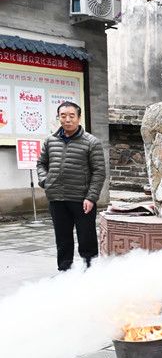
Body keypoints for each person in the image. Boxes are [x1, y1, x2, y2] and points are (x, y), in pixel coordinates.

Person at [36, 101, 106, 271]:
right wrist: (45, 181)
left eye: (71, 116)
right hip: (57, 198)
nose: (67, 119)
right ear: (58, 118)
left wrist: (91, 197)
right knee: (62, 239)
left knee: (87, 238)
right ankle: (64, 271)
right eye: (63, 116)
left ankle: (90, 271)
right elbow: (41, 164)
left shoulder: (91, 142)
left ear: (79, 118)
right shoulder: (50, 141)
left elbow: (99, 172)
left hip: (82, 199)